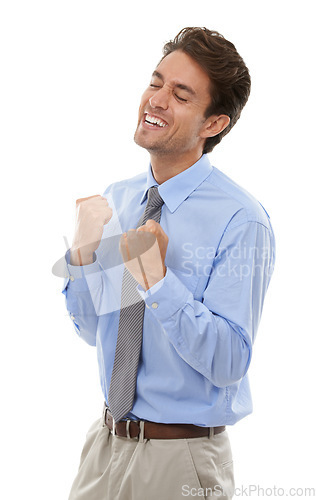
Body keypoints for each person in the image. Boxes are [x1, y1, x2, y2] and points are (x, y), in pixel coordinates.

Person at [62, 27, 275, 500]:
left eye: (180, 94)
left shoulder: (241, 220)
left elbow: (229, 362)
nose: (156, 100)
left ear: (213, 124)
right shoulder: (119, 199)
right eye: (156, 82)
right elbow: (94, 332)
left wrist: (158, 282)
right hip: (104, 448)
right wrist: (80, 256)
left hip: (182, 463)